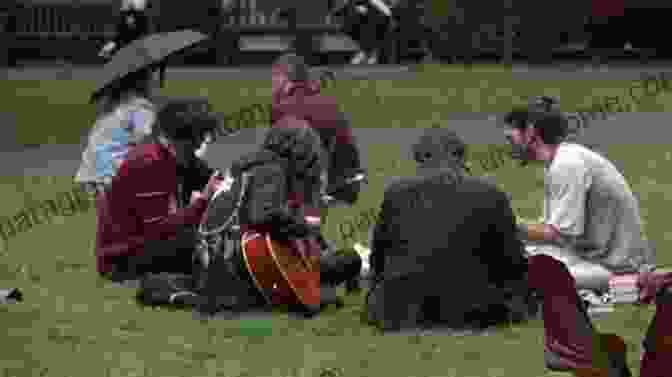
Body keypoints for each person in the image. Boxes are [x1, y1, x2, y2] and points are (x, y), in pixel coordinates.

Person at [365, 127, 536, 331]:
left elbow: (378, 260)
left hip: (402, 310)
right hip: (479, 310)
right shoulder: (490, 193)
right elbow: (512, 262)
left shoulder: (395, 193)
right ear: (462, 158)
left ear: (418, 158)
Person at [194, 120, 363, 315]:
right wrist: (304, 225)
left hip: (214, 266)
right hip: (240, 265)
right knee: (337, 268)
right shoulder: (272, 170)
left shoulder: (246, 166)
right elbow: (265, 215)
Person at [502, 106, 655, 296]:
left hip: (615, 269)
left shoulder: (566, 165)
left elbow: (555, 233)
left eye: (511, 139)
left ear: (531, 133)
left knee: (516, 272)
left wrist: (505, 225)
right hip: (597, 258)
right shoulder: (563, 160)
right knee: (515, 257)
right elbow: (554, 234)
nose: (509, 147)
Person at [95, 99, 224, 279]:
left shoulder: (177, 155)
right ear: (177, 138)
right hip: (120, 259)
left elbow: (214, 179)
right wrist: (203, 201)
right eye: (197, 139)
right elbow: (159, 229)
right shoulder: (149, 162)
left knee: (213, 241)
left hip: (146, 244)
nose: (199, 146)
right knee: (205, 247)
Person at [271, 54, 364, 278]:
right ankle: (336, 258)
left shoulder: (282, 107)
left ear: (286, 79)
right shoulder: (326, 101)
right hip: (346, 182)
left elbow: (278, 158)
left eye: (274, 79)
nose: (272, 85)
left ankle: (311, 261)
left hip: (315, 186)